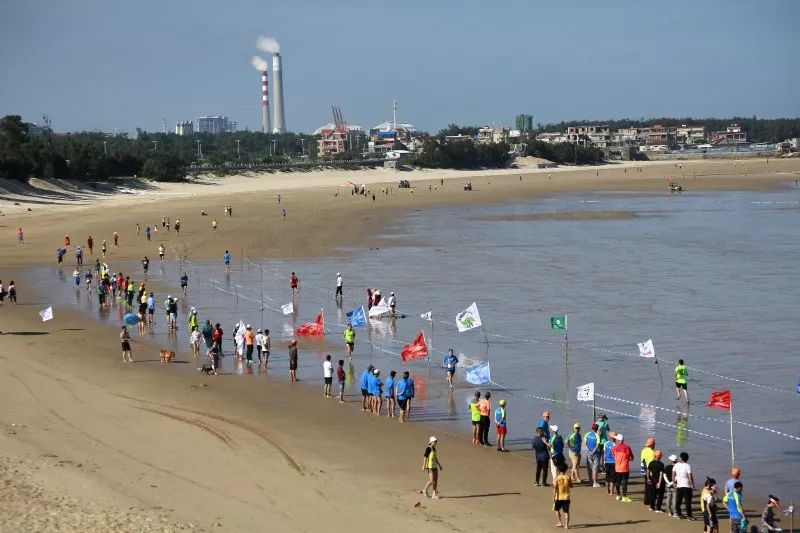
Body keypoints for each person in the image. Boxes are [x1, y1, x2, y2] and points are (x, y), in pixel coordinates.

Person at [673, 451, 694, 520]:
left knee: (678, 501)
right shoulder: (688, 466)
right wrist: (692, 484)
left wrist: (674, 483)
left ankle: (679, 514)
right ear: (687, 459)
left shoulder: (676, 465)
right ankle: (689, 516)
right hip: (687, 486)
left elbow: (673, 474)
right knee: (688, 502)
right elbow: (690, 476)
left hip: (679, 486)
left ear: (681, 458)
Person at [612, 433, 633, 503]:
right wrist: (627, 459)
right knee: (624, 482)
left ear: (618, 440)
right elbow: (631, 457)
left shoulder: (615, 447)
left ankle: (618, 495)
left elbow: (613, 454)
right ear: (623, 440)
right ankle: (624, 497)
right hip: (624, 468)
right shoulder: (627, 447)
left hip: (617, 467)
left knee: (618, 482)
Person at [553, 462, 572, 530]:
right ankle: (566, 525)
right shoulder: (568, 477)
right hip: (566, 497)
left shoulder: (557, 478)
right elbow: (571, 485)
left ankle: (559, 522)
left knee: (557, 510)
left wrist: (553, 497)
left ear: (558, 469)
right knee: (566, 512)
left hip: (558, 497)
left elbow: (555, 488)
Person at [585, 423, 601, 488]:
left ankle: (590, 481)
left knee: (589, 468)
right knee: (595, 469)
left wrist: (590, 451)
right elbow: (597, 445)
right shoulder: (597, 435)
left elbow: (585, 443)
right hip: (595, 454)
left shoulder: (587, 434)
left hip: (589, 452)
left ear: (591, 428)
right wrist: (593, 452)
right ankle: (595, 483)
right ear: (597, 429)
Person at [640, 437, 656, 505]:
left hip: (643, 470)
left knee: (647, 486)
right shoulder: (653, 453)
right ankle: (650, 501)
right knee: (651, 488)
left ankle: (646, 501)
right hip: (650, 472)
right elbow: (652, 464)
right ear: (652, 445)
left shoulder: (643, 450)